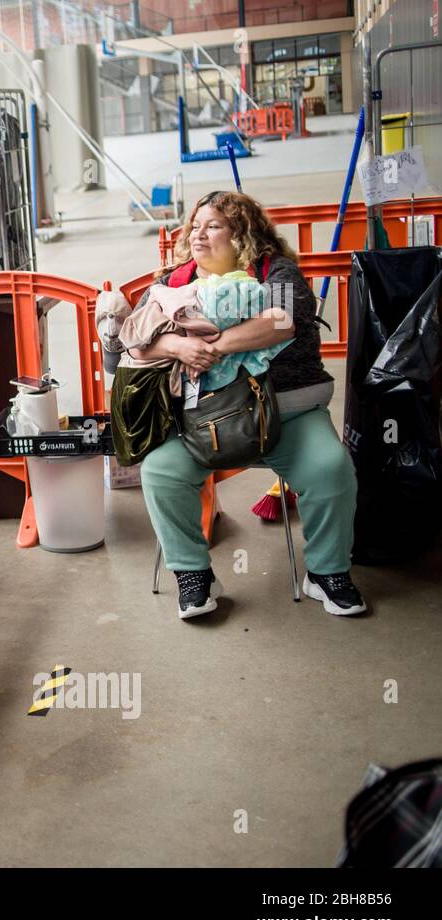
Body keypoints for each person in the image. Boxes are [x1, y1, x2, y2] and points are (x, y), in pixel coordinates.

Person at [124, 190, 365, 620]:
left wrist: (209, 346)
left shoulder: (277, 273)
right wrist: (178, 345)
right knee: (161, 471)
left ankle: (327, 572)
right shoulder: (173, 283)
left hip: (287, 413)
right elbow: (129, 343)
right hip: (202, 422)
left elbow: (285, 320)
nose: (198, 235)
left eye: (213, 225)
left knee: (330, 467)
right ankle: (194, 574)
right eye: (194, 226)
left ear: (242, 234)